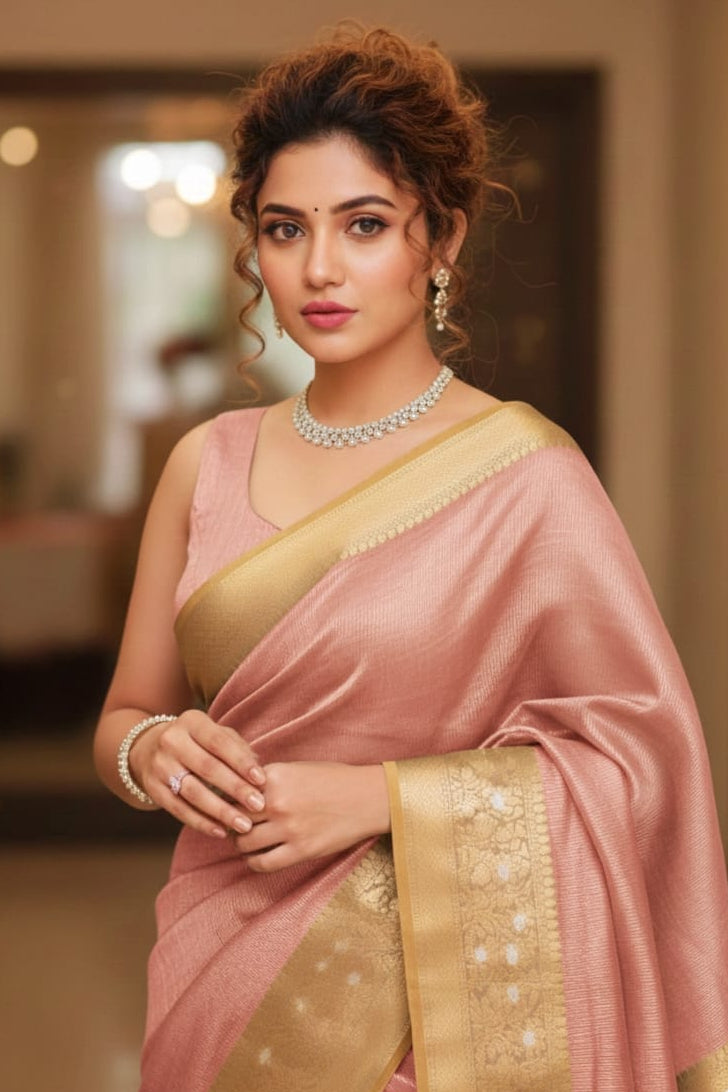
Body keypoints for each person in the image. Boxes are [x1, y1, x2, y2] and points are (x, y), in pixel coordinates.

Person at [93, 25, 728, 1092]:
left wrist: (382, 800)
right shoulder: (205, 463)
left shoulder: (526, 477)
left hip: (428, 1019)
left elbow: (640, 763)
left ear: (442, 242)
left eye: (366, 225)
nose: (320, 268)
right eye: (285, 228)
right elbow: (125, 716)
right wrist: (150, 753)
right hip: (221, 969)